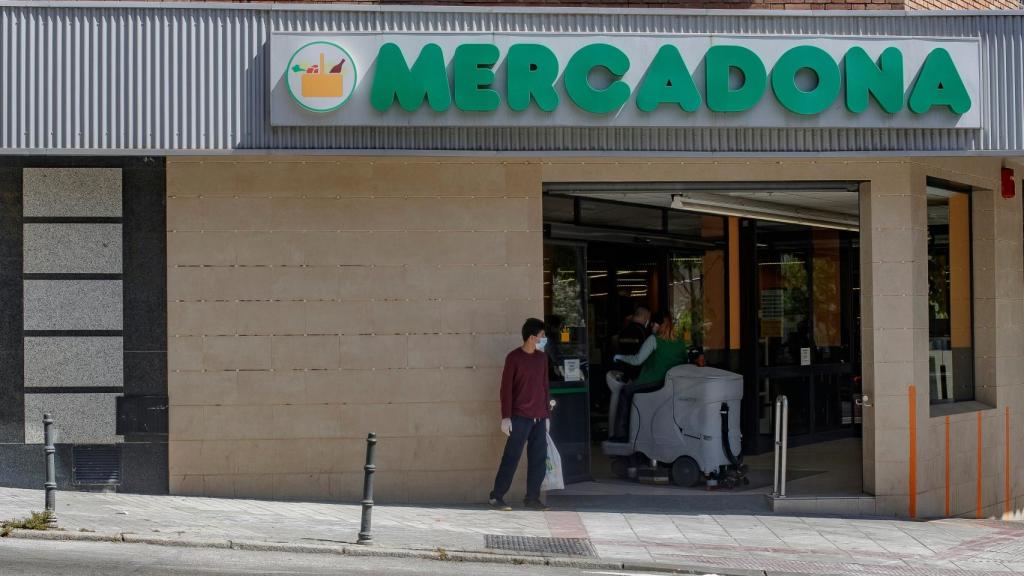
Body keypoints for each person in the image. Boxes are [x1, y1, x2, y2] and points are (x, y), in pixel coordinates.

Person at [489, 318, 551, 512]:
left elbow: (544, 387)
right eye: (541, 336)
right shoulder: (514, 358)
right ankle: (496, 496)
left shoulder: (542, 359)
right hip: (519, 417)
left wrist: (547, 415)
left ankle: (532, 498)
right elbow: (505, 389)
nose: (544, 339)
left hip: (539, 417)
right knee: (511, 457)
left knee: (538, 459)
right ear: (532, 337)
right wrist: (505, 416)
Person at [609, 311, 688, 442]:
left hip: (653, 381)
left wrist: (620, 357)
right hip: (673, 385)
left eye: (653, 324)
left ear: (657, 325)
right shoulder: (680, 342)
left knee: (625, 391)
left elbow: (637, 360)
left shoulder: (654, 339)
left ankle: (621, 434)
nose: (651, 327)